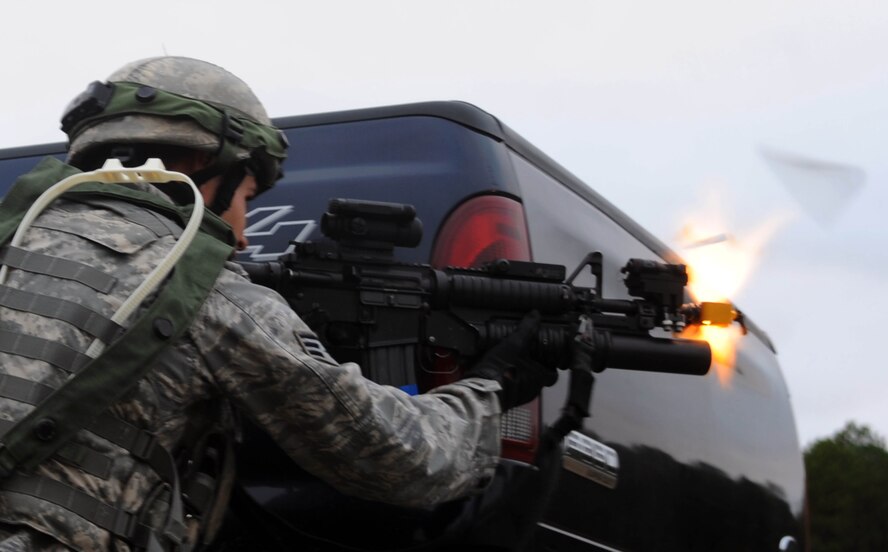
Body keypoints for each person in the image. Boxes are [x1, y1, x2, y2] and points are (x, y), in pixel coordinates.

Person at [0, 57, 556, 551]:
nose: (243, 237)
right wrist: (491, 388)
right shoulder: (205, 291)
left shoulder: (10, 244)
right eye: (247, 197)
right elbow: (396, 457)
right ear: (203, 162)